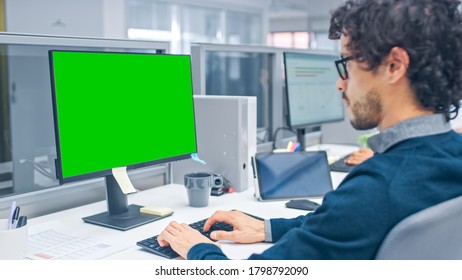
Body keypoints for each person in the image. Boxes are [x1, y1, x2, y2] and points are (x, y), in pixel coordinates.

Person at [158, 0, 462, 259]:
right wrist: (267, 228)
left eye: (347, 64)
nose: (340, 83)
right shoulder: (450, 156)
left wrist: (198, 249)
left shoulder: (377, 188)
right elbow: (343, 224)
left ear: (394, 65)